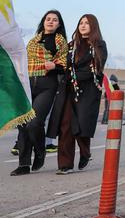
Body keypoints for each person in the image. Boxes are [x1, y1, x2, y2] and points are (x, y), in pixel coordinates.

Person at [11, 10, 68, 176]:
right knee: (23, 124)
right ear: (43, 21)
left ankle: (40, 151)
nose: (50, 22)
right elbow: (23, 60)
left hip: (46, 84)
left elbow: (64, 63)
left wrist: (54, 66)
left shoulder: (60, 41)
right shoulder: (33, 41)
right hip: (28, 83)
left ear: (59, 24)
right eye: (48, 19)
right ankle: (23, 164)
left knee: (34, 123)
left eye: (55, 20)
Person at [49, 14, 107, 174]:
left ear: (93, 26)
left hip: (87, 91)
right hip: (68, 90)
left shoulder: (99, 45)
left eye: (87, 23)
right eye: (81, 23)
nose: (83, 25)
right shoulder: (70, 45)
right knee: (66, 126)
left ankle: (85, 152)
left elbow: (96, 67)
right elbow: (63, 65)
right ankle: (65, 164)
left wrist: (73, 74)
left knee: (81, 125)